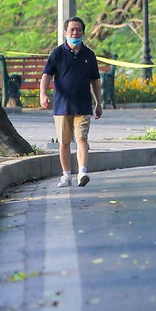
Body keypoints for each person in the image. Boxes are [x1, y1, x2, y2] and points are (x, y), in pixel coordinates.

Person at [39, 17, 103, 187]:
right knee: (64, 143)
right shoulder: (57, 53)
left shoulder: (89, 54)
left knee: (82, 139)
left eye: (79, 30)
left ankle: (82, 172)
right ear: (65, 33)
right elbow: (46, 75)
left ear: (83, 32)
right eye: (72, 30)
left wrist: (99, 103)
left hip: (83, 105)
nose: (75, 32)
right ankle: (66, 175)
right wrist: (43, 94)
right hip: (62, 107)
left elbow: (95, 81)